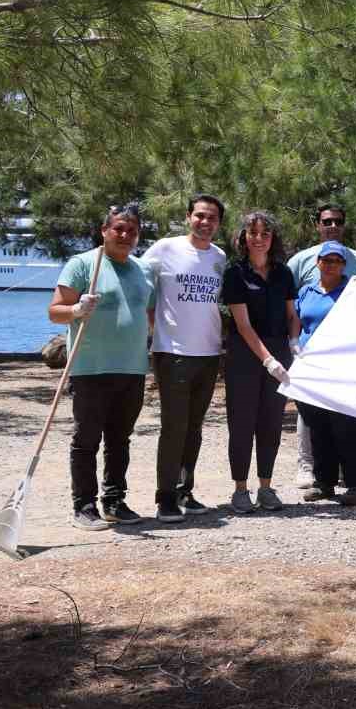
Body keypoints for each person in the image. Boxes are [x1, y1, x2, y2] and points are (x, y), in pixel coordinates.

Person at [50, 204, 156, 530]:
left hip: (132, 368)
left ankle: (114, 501)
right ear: (105, 231)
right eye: (118, 229)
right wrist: (77, 310)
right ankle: (83, 506)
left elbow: (149, 317)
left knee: (119, 439)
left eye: (132, 230)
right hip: (90, 368)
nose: (125, 235)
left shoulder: (143, 270)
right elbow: (55, 311)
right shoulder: (83, 264)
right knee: (86, 441)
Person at [142, 193, 227, 523]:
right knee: (173, 428)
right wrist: (157, 327)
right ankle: (164, 499)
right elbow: (140, 283)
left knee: (194, 428)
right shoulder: (165, 248)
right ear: (189, 216)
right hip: (174, 354)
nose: (205, 222)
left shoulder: (219, 257)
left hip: (208, 354)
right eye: (200, 216)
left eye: (212, 218)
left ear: (218, 224)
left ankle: (184, 491)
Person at [288, 203, 356, 488]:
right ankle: (324, 482)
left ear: (344, 265)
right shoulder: (306, 290)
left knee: (347, 426)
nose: (332, 265)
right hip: (310, 366)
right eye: (327, 261)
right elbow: (295, 319)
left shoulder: (353, 291)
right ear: (318, 263)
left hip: (344, 366)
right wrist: (293, 344)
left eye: (337, 261)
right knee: (317, 424)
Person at [220, 211, 299, 515]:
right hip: (246, 356)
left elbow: (292, 315)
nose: (259, 239)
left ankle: (266, 487)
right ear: (243, 237)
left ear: (272, 238)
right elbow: (243, 325)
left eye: (265, 233)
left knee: (271, 424)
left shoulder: (283, 273)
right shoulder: (235, 273)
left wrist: (294, 343)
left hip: (280, 353)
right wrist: (267, 360)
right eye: (253, 233)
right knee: (242, 424)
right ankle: (240, 489)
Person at [285, 203, 356, 287]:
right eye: (327, 222)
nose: (333, 226)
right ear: (317, 225)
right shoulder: (300, 261)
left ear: (343, 226)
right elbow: (286, 297)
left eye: (339, 222)